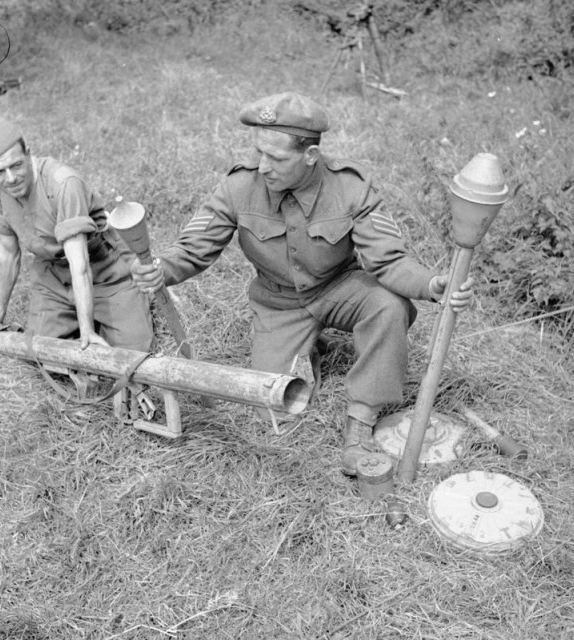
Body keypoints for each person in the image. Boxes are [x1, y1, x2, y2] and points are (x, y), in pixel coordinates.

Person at [130, 92, 473, 475]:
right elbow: (194, 248)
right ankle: (310, 348)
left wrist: (431, 284)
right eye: (259, 152)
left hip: (339, 287)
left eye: (276, 158)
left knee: (389, 305)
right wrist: (163, 268)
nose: (263, 167)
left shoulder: (350, 187)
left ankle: (360, 420)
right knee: (275, 408)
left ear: (309, 155)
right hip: (278, 302)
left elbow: (388, 260)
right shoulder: (239, 185)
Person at [0, 114, 153, 353]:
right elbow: (7, 251)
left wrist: (87, 331)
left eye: (16, 165)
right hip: (52, 275)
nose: (11, 178)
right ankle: (81, 314)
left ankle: (133, 298)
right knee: (42, 352)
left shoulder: (64, 183)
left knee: (133, 351)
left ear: (28, 153)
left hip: (102, 269)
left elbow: (80, 264)